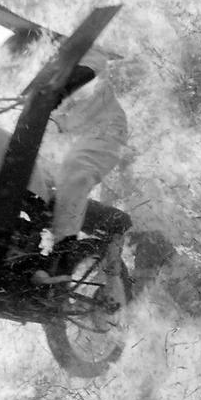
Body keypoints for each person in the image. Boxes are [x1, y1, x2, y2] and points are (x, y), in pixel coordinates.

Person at [38, 48, 129, 279]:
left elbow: (92, 67)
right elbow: (54, 125)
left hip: (106, 130)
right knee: (33, 176)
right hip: (70, 138)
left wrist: (61, 91)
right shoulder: (43, 74)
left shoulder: (87, 58)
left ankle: (64, 255)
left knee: (76, 169)